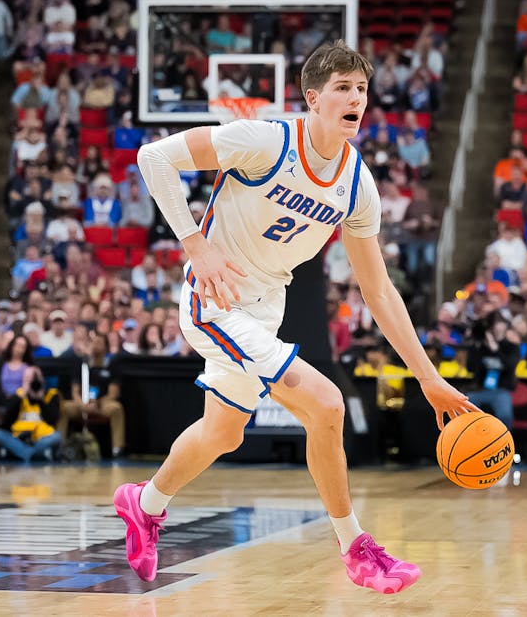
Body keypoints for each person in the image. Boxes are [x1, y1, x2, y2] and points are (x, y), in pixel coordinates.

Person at [115, 41, 474, 592]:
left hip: (266, 305)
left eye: (362, 89)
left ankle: (144, 502)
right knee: (326, 404)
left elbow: (378, 291)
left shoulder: (358, 185)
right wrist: (195, 245)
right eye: (343, 88)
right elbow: (153, 157)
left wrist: (428, 378)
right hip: (213, 295)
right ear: (313, 97)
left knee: (223, 433)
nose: (357, 99)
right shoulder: (266, 139)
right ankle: (356, 548)